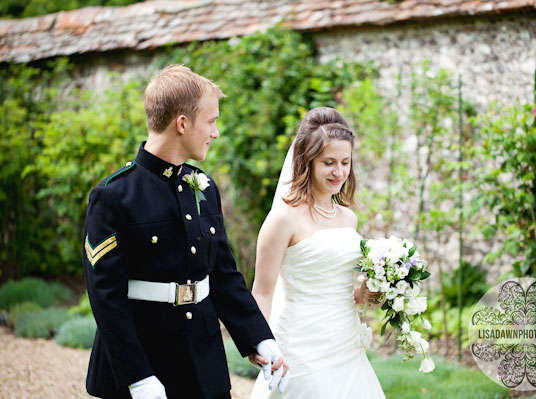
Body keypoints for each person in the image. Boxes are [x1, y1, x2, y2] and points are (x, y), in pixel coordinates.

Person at [82, 64, 288, 399]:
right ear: (182, 123)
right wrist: (138, 378)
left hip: (204, 364)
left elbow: (222, 275)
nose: (216, 132)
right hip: (143, 367)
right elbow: (106, 298)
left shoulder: (205, 188)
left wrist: (259, 338)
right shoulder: (113, 196)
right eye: (211, 121)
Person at [249, 107, 385, 398]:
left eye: (345, 162)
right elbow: (262, 291)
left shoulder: (349, 218)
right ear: (307, 162)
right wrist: (258, 341)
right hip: (301, 346)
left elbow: (340, 286)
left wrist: (366, 293)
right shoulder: (283, 219)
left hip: (346, 344)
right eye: (329, 163)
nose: (339, 172)